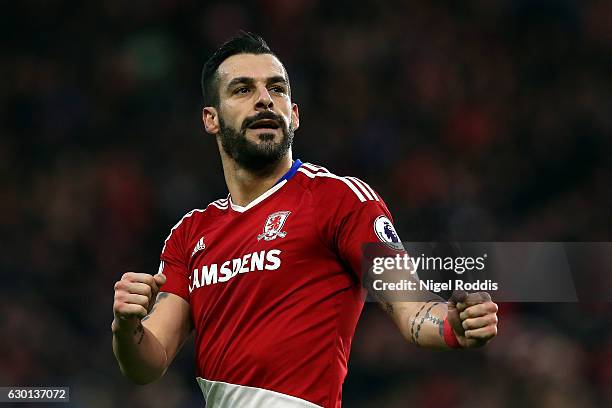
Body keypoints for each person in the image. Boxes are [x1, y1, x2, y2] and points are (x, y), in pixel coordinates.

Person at [111, 32, 498, 408]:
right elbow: (149, 362)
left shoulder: (340, 200)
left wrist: (451, 324)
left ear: (293, 115)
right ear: (211, 119)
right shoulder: (190, 234)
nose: (265, 100)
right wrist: (126, 329)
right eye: (243, 89)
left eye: (277, 89)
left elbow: (410, 307)